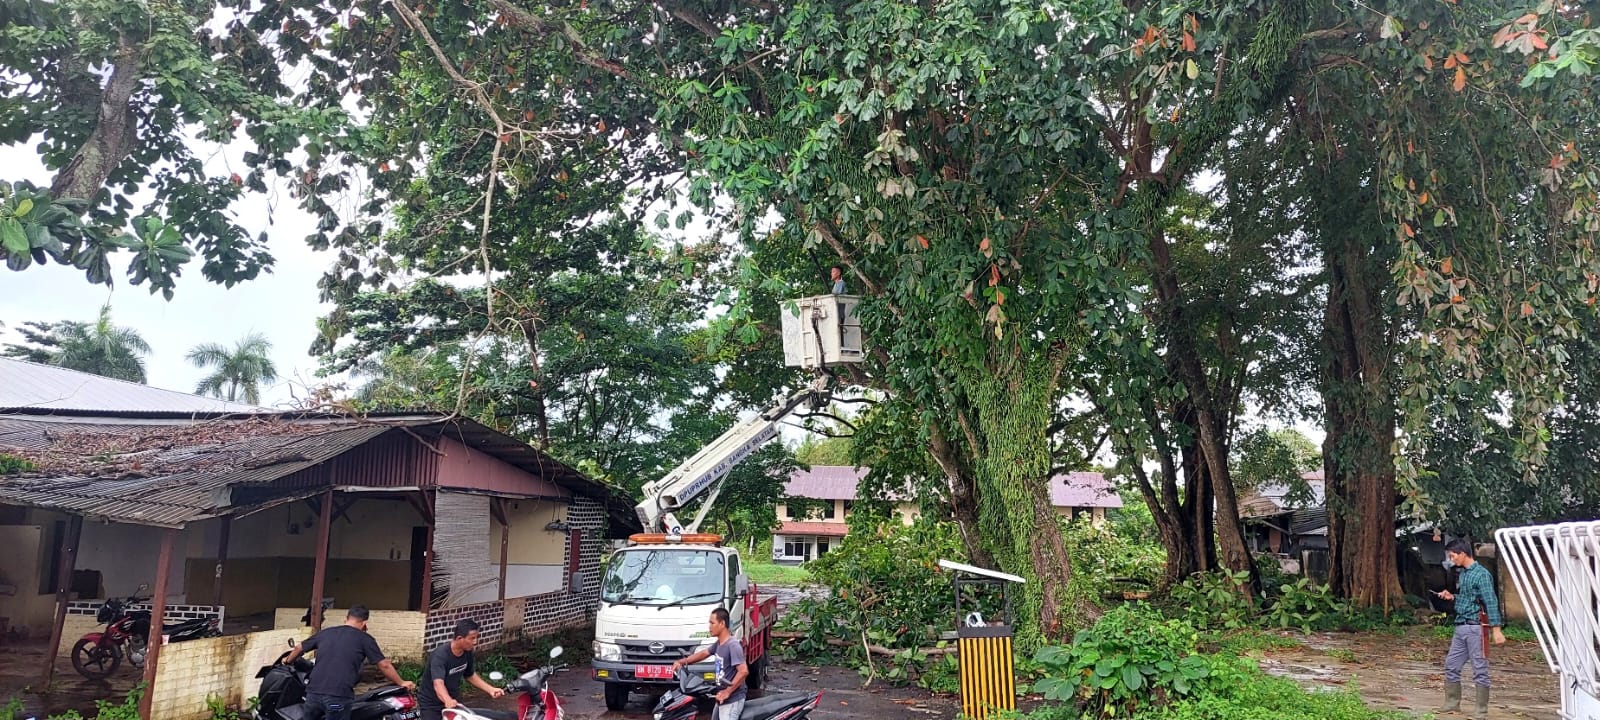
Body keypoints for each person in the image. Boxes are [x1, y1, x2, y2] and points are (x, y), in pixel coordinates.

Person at [282, 606, 416, 720]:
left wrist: (287, 661)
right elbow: (384, 665)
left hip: (313, 696)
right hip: (337, 699)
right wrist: (402, 682)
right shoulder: (365, 639)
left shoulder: (326, 633)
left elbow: (299, 648)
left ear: (346, 619)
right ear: (364, 623)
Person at [1434, 539, 1506, 720]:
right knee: (1451, 665)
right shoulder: (1464, 574)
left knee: (1479, 668)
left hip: (1476, 627)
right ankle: (1452, 703)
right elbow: (1467, 598)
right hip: (1461, 626)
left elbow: (1490, 601)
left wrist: (1496, 630)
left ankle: (1481, 710)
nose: (1451, 559)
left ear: (1462, 553)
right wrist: (1452, 597)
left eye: (1452, 555)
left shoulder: (1481, 574)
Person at [417, 619, 505, 720]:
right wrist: (447, 700)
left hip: (454, 701)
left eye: (476, 638)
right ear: (459, 638)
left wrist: (490, 689)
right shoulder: (440, 656)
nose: (475, 642)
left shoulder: (467, 652)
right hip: (431, 704)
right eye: (472, 638)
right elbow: (438, 684)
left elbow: (470, 675)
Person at [670, 608, 747, 720]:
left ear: (722, 623)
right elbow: (704, 653)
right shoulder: (719, 644)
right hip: (721, 696)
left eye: (712, 623)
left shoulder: (733, 645)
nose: (709, 626)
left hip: (732, 699)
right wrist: (681, 662)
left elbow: (743, 671)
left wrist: (727, 692)